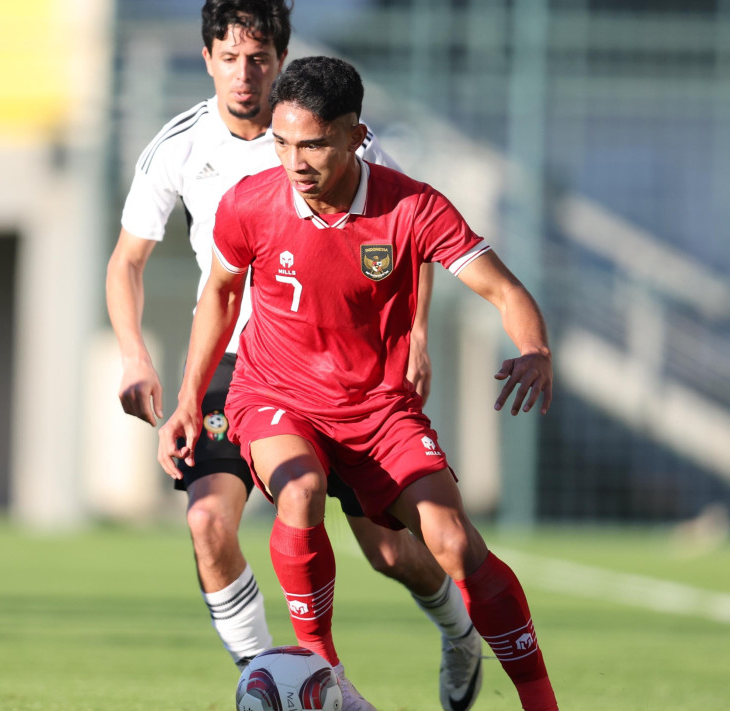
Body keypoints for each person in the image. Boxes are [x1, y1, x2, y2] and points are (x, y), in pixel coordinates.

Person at [105, 2, 481, 710]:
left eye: (259, 59)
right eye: (228, 57)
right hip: (235, 365)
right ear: (207, 57)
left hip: (341, 368)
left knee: (389, 550)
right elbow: (126, 259)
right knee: (207, 522)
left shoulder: (333, 136)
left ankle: (458, 630)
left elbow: (412, 229)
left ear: (281, 59)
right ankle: (289, 681)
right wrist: (134, 356)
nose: (244, 75)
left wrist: (417, 335)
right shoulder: (177, 146)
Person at [158, 56, 560, 711]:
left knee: (451, 544)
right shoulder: (250, 203)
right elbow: (219, 297)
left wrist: (534, 347)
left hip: (377, 409)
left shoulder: (412, 206)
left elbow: (504, 289)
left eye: (313, 143)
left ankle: (538, 701)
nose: (294, 160)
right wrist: (186, 398)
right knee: (300, 489)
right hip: (273, 394)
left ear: (354, 134)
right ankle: (327, 674)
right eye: (281, 142)